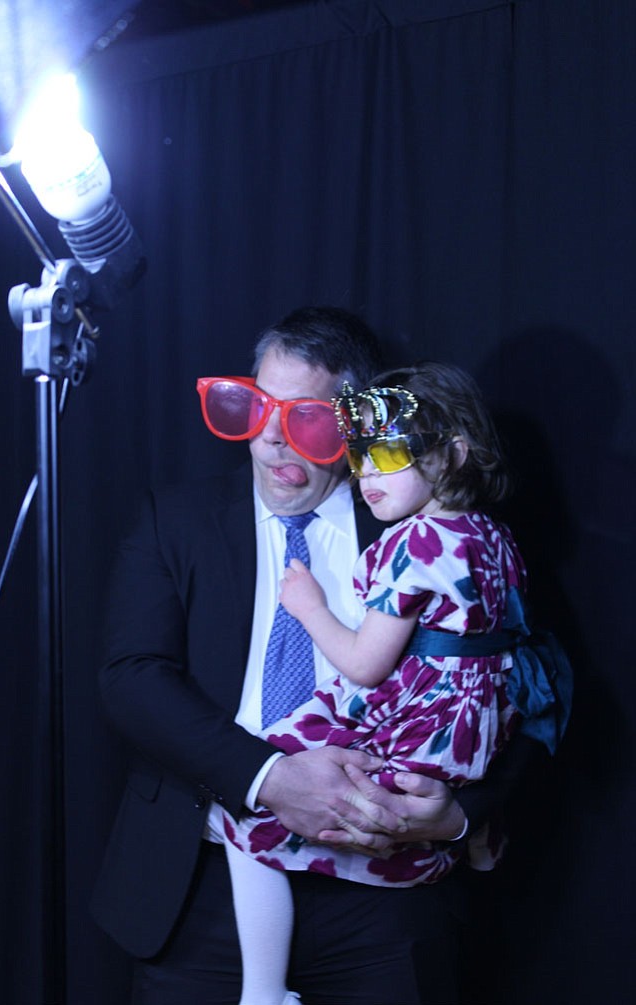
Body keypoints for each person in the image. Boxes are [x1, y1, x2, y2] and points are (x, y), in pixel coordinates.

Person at [91, 307, 545, 1005]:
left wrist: (458, 815)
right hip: (203, 882)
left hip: (387, 886)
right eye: (253, 406)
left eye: (306, 417)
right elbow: (132, 679)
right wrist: (269, 776)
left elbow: (524, 678)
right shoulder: (173, 519)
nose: (272, 438)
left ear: (356, 425)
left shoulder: (425, 526)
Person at [219, 363, 540, 1005]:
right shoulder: (493, 537)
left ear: (453, 453)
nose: (367, 475)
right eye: (360, 456)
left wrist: (308, 606)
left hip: (415, 721)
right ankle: (475, 837)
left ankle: (262, 993)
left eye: (389, 453)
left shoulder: (412, 543)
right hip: (475, 730)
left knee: (243, 803)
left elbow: (364, 665)